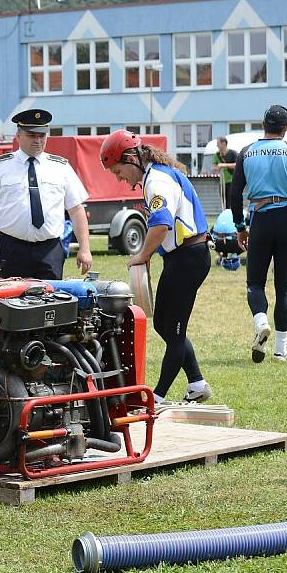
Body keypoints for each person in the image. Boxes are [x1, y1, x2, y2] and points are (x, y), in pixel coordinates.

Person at [100, 130, 212, 404]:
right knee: (164, 324)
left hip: (188, 257)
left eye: (118, 171)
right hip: (183, 257)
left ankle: (157, 397)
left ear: (130, 159)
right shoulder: (156, 174)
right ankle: (197, 382)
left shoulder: (156, 181)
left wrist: (141, 255)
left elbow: (161, 223)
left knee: (173, 329)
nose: (119, 178)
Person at [230, 105, 287, 363]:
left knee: (255, 283)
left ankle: (261, 322)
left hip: (259, 218)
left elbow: (235, 194)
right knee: (284, 287)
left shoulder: (246, 153)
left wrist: (239, 226)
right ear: (286, 128)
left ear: (263, 124)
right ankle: (281, 350)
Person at [0, 108, 92, 279]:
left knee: (52, 301)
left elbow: (76, 210)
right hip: (11, 248)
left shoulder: (61, 167)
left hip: (50, 250)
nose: (38, 141)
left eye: (42, 136)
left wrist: (84, 248)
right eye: (32, 135)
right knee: (10, 301)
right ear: (18, 135)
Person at [212, 136, 237, 210]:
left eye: (218, 144)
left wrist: (224, 165)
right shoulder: (217, 155)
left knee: (232, 201)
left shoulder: (233, 153)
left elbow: (237, 165)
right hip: (222, 182)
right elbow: (214, 167)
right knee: (224, 202)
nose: (217, 146)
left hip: (232, 181)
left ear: (223, 143)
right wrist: (217, 168)